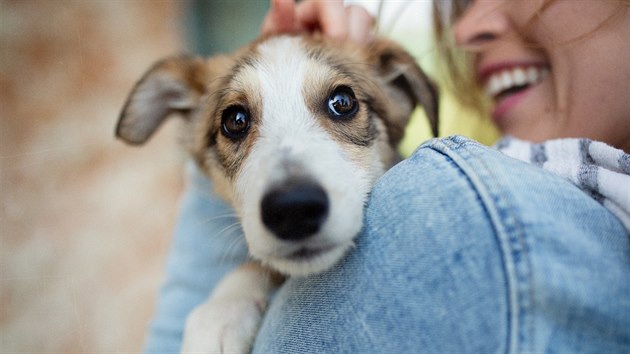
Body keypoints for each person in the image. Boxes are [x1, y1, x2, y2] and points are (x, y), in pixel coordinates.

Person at [144, 0, 630, 352]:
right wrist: (241, 282)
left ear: (403, 101)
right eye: (237, 122)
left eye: (341, 104)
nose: (467, 29)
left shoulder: (464, 202)